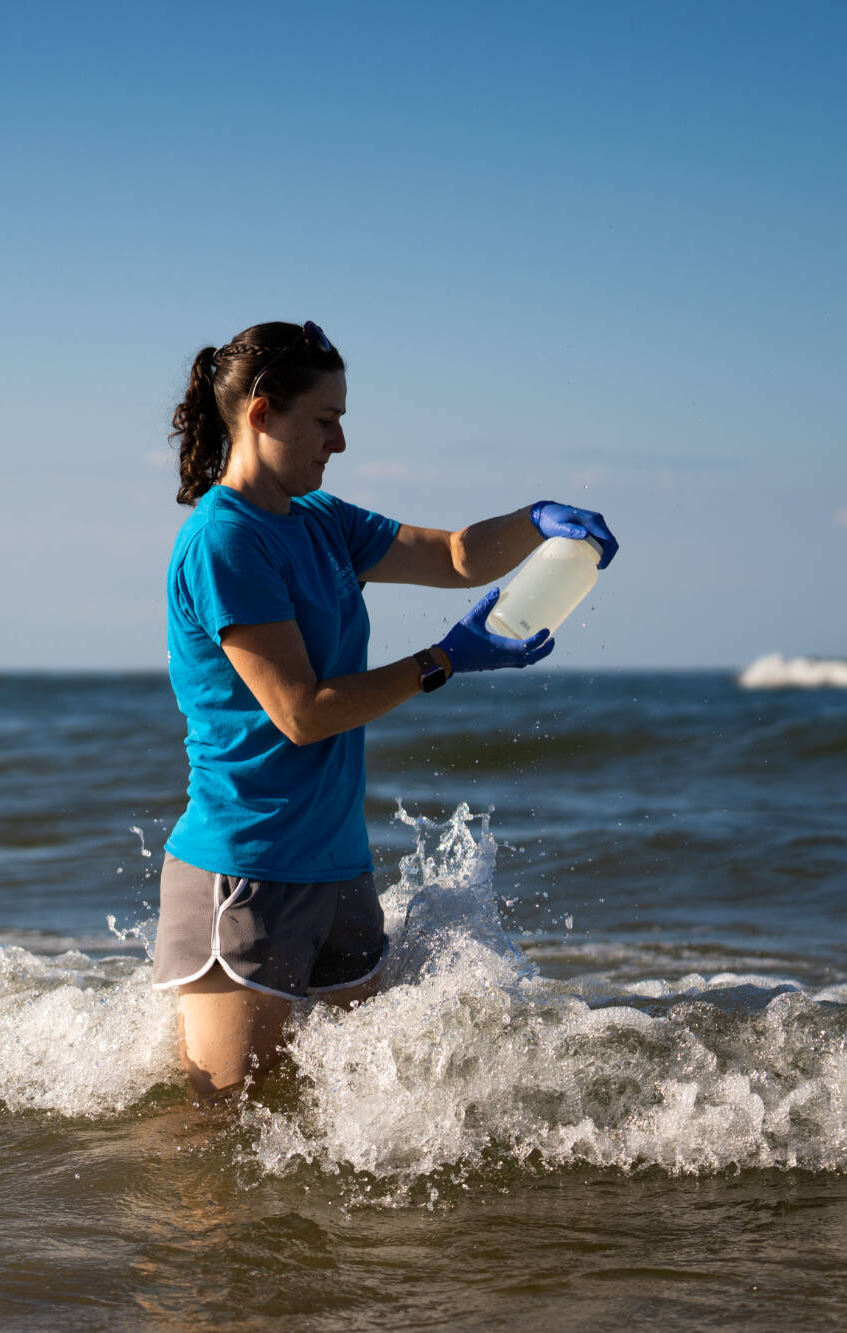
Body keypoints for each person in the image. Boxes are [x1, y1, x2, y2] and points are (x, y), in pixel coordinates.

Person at [154, 319, 618, 1099]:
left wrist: (538, 520)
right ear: (263, 413)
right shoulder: (224, 542)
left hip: (339, 870)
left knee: (330, 1122)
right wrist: (442, 660)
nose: (338, 441)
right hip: (247, 871)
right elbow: (301, 711)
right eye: (325, 420)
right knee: (219, 1133)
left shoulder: (321, 520)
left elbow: (456, 555)